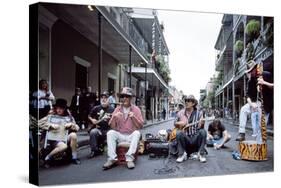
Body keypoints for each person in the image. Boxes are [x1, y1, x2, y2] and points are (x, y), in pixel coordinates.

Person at [103, 87, 144, 170]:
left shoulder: (136, 109)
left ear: (130, 98)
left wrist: (134, 117)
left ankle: (129, 159)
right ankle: (112, 158)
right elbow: (112, 126)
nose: (124, 98)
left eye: (127, 96)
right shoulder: (117, 109)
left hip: (130, 136)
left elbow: (140, 126)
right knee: (110, 133)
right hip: (120, 135)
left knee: (137, 133)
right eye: (122, 96)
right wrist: (114, 117)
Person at [236, 60, 273, 141]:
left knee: (261, 127)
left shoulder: (266, 74)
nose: (250, 73)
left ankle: (259, 146)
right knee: (243, 110)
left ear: (256, 68)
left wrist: (264, 83)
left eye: (251, 70)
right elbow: (248, 95)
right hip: (255, 103)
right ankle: (241, 133)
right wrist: (251, 104)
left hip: (266, 105)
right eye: (249, 71)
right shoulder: (251, 81)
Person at [39, 98, 81, 168]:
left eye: (61, 108)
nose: (59, 110)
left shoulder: (69, 117)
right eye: (57, 108)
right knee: (63, 146)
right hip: (53, 140)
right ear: (55, 108)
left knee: (73, 135)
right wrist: (50, 125)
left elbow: (77, 127)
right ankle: (48, 157)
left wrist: (71, 125)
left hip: (64, 137)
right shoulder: (50, 116)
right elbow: (38, 123)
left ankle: (74, 157)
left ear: (64, 109)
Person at [174, 95, 207, 163]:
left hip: (195, 138)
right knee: (179, 132)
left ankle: (201, 154)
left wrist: (202, 123)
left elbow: (201, 128)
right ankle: (182, 154)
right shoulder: (180, 113)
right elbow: (175, 123)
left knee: (203, 132)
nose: (186, 102)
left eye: (189, 101)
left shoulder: (199, 113)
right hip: (186, 139)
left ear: (193, 103)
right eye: (186, 101)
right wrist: (180, 123)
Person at [88, 91, 114, 158]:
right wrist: (92, 119)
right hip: (99, 129)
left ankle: (112, 150)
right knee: (93, 132)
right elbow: (89, 115)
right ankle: (94, 150)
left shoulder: (112, 109)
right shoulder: (96, 108)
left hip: (109, 129)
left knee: (112, 133)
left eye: (105, 97)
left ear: (108, 99)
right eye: (102, 97)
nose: (103, 99)